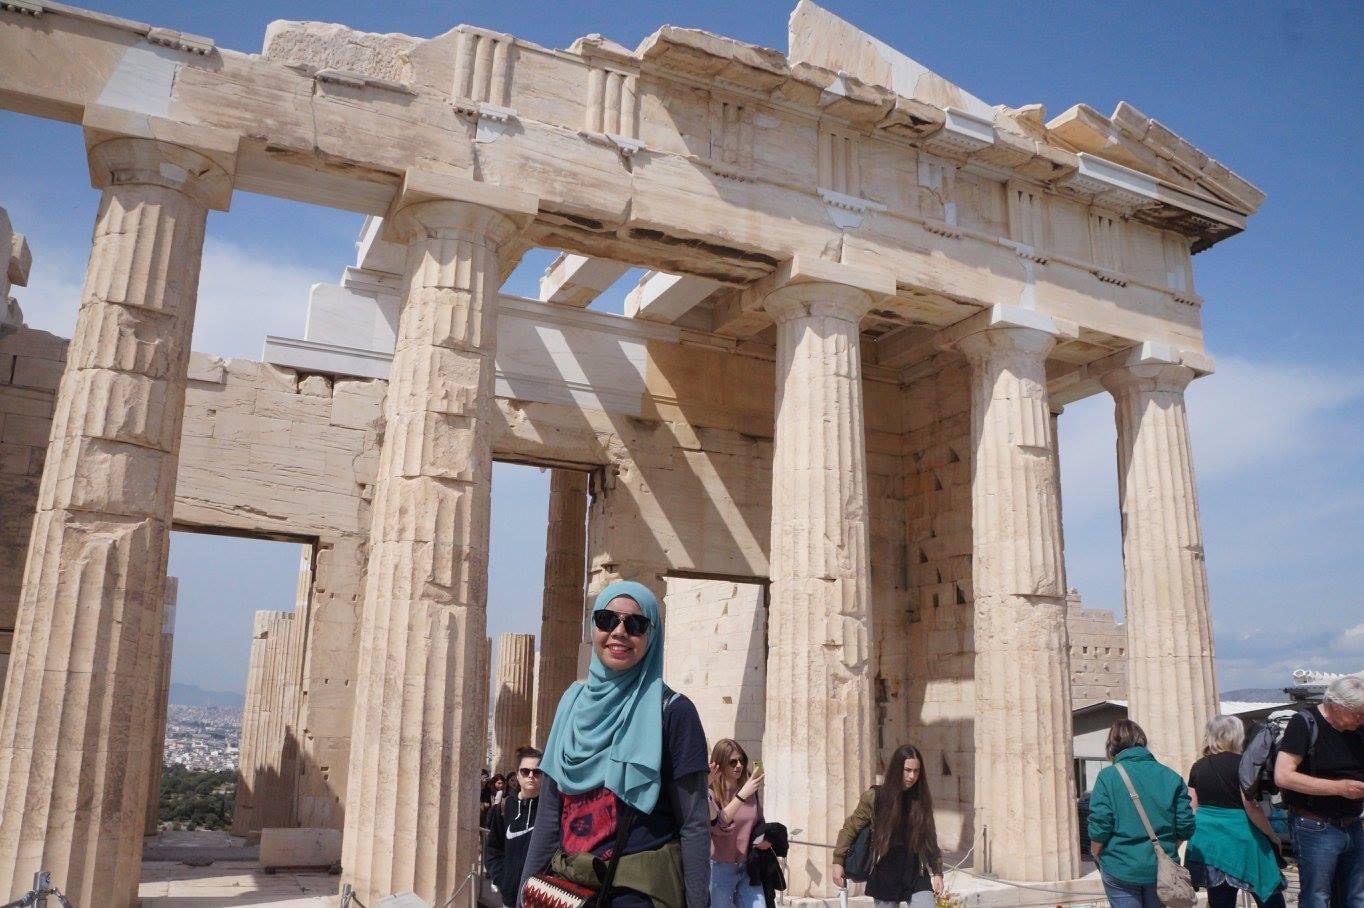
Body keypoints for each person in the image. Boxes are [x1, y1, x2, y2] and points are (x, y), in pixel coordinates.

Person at [517, 580, 710, 908]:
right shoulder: (571, 703)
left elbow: (693, 823)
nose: (619, 632)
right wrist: (525, 893)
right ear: (594, 627)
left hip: (635, 895)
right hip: (567, 892)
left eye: (635, 624)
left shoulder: (675, 712)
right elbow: (551, 812)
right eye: (608, 620)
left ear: (651, 637)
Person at [1274, 675, 1364, 908]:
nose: (1361, 719)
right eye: (1358, 714)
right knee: (1317, 898)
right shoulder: (1304, 723)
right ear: (1336, 706)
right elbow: (1283, 776)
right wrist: (1338, 788)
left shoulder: (1358, 728)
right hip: (1314, 827)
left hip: (1354, 824)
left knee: (1356, 897)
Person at [1088, 719, 1195, 908]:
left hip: (1120, 865)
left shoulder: (1107, 777)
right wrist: (1165, 848)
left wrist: (1096, 853)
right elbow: (1185, 827)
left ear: (1111, 746)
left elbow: (1100, 824)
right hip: (1160, 868)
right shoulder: (1171, 776)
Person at [1184, 715, 1285, 908]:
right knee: (1270, 897)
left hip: (1210, 843)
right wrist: (1273, 836)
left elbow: (1191, 806)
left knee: (1221, 902)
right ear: (1237, 736)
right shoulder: (1243, 764)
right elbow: (1250, 807)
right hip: (1243, 841)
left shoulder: (1198, 766)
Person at [831, 744, 944, 908]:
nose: (912, 776)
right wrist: (838, 861)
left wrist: (938, 872)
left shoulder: (921, 800)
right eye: (907, 770)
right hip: (885, 873)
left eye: (916, 771)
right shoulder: (875, 797)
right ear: (897, 769)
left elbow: (930, 839)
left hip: (915, 873)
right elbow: (850, 828)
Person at [708, 739, 768, 908]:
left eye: (741, 760)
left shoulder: (749, 787)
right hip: (719, 868)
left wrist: (766, 838)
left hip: (747, 865)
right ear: (720, 764)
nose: (738, 766)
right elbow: (719, 826)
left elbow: (759, 820)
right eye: (732, 762)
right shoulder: (711, 791)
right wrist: (742, 795)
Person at [486, 746, 545, 907]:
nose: (531, 776)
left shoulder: (550, 811)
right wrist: (502, 880)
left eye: (537, 772)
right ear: (518, 775)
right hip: (510, 899)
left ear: (543, 775)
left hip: (541, 898)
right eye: (525, 771)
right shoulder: (504, 808)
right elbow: (492, 849)